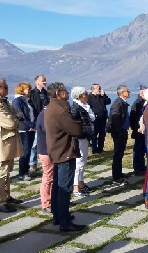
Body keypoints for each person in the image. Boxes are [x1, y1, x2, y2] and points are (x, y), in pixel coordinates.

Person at [45, 82, 86, 231]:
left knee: (57, 186)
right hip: (65, 152)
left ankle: (58, 215)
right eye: (65, 92)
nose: (68, 94)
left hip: (57, 151)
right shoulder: (60, 110)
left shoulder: (51, 107)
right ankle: (65, 221)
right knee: (64, 187)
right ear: (58, 94)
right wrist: (80, 124)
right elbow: (76, 129)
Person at [0, 76, 23, 213]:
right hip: (1, 143)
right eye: (4, 87)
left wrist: (15, 117)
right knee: (1, 172)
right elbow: (11, 123)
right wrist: (16, 120)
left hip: (8, 142)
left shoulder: (3, 101)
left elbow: (17, 113)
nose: (7, 89)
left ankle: (6, 196)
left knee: (7, 171)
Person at [70, 87, 95, 198]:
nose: (87, 95)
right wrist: (83, 133)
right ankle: (75, 187)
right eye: (85, 94)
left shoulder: (84, 106)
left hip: (85, 137)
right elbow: (75, 124)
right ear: (79, 96)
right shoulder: (76, 108)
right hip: (80, 138)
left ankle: (81, 183)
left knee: (83, 162)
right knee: (78, 163)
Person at [12, 82, 36, 181]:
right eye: (27, 89)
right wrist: (32, 125)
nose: (29, 90)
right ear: (21, 89)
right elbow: (20, 116)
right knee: (25, 151)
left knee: (29, 150)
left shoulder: (27, 100)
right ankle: (22, 173)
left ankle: (26, 170)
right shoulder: (17, 101)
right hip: (24, 129)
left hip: (31, 128)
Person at [107, 85, 130, 185]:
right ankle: (116, 177)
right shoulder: (118, 103)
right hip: (119, 132)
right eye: (127, 91)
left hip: (122, 130)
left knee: (120, 153)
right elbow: (115, 118)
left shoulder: (122, 103)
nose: (128, 92)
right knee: (117, 153)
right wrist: (119, 131)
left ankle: (119, 173)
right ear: (121, 93)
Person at [29, 75, 49, 172]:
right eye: (43, 81)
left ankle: (45, 160)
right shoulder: (32, 94)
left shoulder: (46, 93)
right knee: (34, 143)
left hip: (47, 120)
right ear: (37, 82)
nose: (44, 82)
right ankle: (32, 163)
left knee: (46, 141)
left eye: (45, 81)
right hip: (37, 120)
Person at [36, 107, 52, 213]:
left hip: (48, 150)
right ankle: (46, 203)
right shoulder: (44, 115)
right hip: (46, 151)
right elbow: (49, 131)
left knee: (51, 177)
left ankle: (50, 200)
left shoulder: (46, 114)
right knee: (48, 177)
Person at [87, 83, 111, 154]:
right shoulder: (89, 97)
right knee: (94, 134)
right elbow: (88, 108)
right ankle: (94, 150)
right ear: (93, 89)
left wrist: (104, 95)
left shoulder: (101, 96)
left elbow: (108, 101)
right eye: (98, 88)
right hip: (94, 119)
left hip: (103, 118)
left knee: (102, 134)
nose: (100, 89)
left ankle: (100, 149)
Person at [130, 85, 148, 175]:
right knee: (138, 150)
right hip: (138, 130)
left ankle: (141, 166)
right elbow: (133, 118)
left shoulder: (143, 102)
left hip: (142, 130)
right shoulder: (137, 103)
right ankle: (137, 168)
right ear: (141, 93)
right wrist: (136, 128)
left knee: (142, 150)